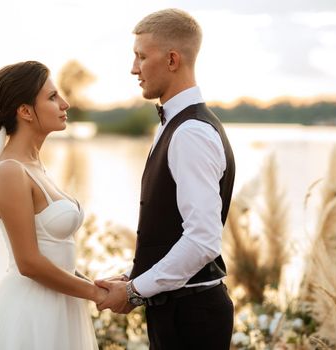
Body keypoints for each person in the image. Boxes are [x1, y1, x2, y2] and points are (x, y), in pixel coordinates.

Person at [0, 61, 105, 350]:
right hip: (29, 314)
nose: (65, 103)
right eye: (52, 97)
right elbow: (28, 262)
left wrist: (97, 285)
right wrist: (96, 295)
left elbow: (54, 255)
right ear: (25, 111)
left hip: (61, 304)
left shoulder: (35, 166)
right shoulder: (11, 171)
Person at [95, 8, 236, 349]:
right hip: (179, 310)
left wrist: (132, 291)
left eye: (141, 56)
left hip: (192, 318)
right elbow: (171, 229)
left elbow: (202, 240)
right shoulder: (176, 125)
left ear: (172, 59)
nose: (133, 68)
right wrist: (136, 278)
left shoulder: (189, 132)